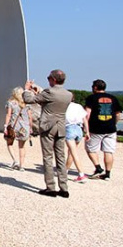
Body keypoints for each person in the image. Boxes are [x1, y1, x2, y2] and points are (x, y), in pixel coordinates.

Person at [22, 70, 74, 198]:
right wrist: (38, 92)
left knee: (48, 157)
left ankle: (50, 187)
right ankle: (64, 187)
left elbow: (29, 99)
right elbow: (48, 100)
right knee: (61, 158)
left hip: (48, 126)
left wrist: (27, 89)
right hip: (61, 126)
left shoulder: (49, 92)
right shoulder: (68, 94)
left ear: (53, 80)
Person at [85, 79, 123, 181]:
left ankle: (98, 168)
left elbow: (87, 114)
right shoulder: (113, 98)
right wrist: (114, 124)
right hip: (110, 128)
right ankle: (107, 174)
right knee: (109, 151)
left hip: (95, 128)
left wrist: (85, 128)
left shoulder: (91, 98)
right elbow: (118, 114)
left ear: (95, 87)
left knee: (91, 149)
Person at [3, 87, 32, 170]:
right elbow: (30, 117)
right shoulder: (27, 103)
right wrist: (30, 127)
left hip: (14, 126)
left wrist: (5, 126)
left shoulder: (11, 103)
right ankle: (22, 166)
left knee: (9, 143)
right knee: (22, 146)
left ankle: (15, 160)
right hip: (25, 127)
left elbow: (8, 115)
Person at [65, 98, 89, 182]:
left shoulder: (64, 106)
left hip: (69, 128)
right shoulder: (78, 106)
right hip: (79, 129)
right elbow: (84, 119)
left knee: (74, 153)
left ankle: (81, 174)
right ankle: (65, 171)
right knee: (71, 152)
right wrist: (87, 132)